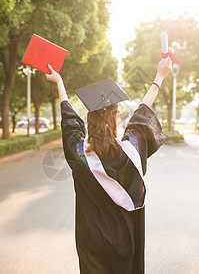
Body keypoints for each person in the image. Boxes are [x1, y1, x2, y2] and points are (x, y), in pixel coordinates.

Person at [45, 58, 172, 274]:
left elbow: (69, 123)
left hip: (91, 241)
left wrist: (59, 82)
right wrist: (159, 76)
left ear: (89, 118)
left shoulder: (80, 153)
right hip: (124, 240)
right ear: (115, 116)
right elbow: (142, 114)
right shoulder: (129, 150)